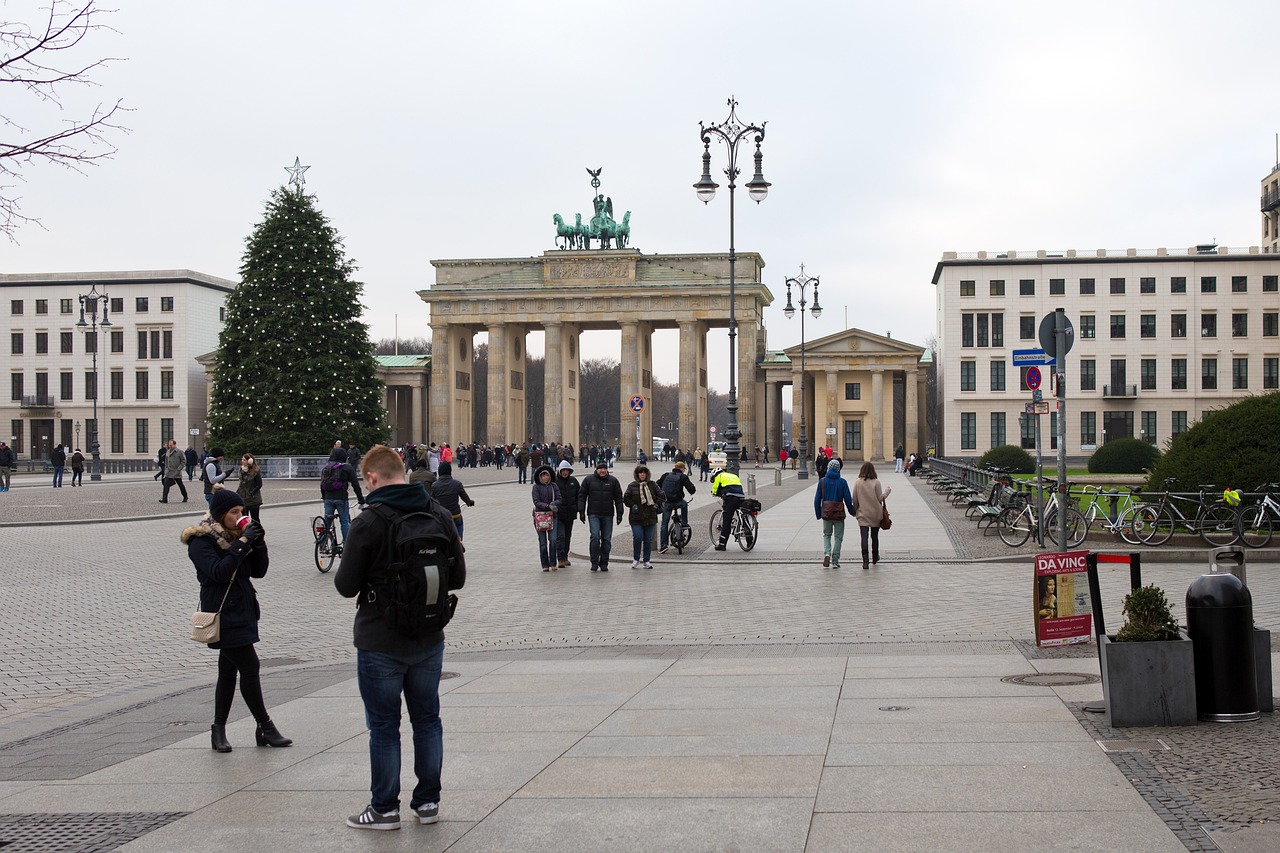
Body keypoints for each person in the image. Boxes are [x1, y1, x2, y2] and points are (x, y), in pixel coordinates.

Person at [334, 445, 466, 830]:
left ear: (372, 478)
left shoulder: (369, 520)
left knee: (384, 726)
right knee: (427, 720)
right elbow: (457, 578)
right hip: (428, 636)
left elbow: (345, 586)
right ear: (403, 471)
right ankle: (428, 804)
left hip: (380, 640)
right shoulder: (438, 513)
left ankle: (384, 809)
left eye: (364, 480)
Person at [183, 486, 290, 754]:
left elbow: (259, 571)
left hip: (243, 610)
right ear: (220, 515)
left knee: (228, 671)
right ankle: (265, 726)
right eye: (234, 512)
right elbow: (218, 572)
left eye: (241, 511)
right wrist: (242, 544)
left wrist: (258, 542)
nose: (239, 516)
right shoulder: (201, 541)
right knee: (250, 665)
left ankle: (218, 729)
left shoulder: (237, 535)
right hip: (221, 613)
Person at [578, 460, 623, 572]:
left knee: (606, 540)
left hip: (608, 514)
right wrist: (581, 511)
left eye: (604, 468)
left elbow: (618, 498)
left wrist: (620, 513)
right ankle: (594, 562)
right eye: (600, 468)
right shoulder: (588, 480)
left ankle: (604, 562)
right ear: (596, 469)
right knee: (595, 537)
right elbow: (582, 496)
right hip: (594, 514)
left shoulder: (613, 481)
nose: (602, 470)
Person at [813, 458, 856, 568]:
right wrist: (852, 512)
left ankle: (827, 553)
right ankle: (835, 560)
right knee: (838, 537)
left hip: (826, 513)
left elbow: (817, 500)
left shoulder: (822, 481)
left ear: (828, 468)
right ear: (838, 469)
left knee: (827, 535)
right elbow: (847, 499)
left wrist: (819, 514)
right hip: (838, 513)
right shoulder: (842, 482)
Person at [852, 461, 892, 569]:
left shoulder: (857, 482)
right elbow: (880, 498)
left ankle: (865, 561)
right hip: (875, 513)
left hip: (862, 513)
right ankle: (875, 557)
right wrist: (887, 492)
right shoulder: (876, 482)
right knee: (874, 537)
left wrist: (855, 510)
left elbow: (854, 499)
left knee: (864, 537)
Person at [623, 464, 664, 569]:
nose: (642, 474)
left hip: (650, 516)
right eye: (640, 472)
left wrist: (656, 504)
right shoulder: (632, 485)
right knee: (638, 537)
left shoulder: (653, 485)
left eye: (644, 472)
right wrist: (633, 505)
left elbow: (661, 495)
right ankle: (636, 559)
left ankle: (646, 560)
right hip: (636, 517)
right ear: (637, 474)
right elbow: (626, 498)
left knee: (648, 539)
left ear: (647, 474)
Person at [321, 448, 365, 543]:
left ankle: (322, 544)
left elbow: (322, 484)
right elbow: (356, 485)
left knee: (327, 522)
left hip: (328, 498)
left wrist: (324, 497)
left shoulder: (327, 467)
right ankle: (347, 546)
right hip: (341, 498)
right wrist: (361, 500)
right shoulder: (347, 468)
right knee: (344, 522)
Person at [429, 461, 474, 541]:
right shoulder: (457, 484)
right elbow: (465, 497)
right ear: (450, 471)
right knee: (458, 530)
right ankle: (459, 542)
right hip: (455, 515)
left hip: (441, 517)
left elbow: (431, 500)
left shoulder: (434, 486)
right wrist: (469, 502)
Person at [657, 461, 696, 554]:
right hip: (678, 501)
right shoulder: (683, 477)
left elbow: (657, 485)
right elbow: (692, 489)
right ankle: (685, 523)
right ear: (682, 469)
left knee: (664, 524)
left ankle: (663, 546)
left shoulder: (666, 475)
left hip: (667, 503)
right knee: (684, 504)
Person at [531, 464, 561, 571]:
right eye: (543, 476)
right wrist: (547, 506)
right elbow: (536, 501)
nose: (545, 478)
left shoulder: (554, 486)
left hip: (553, 516)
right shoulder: (536, 487)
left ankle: (553, 562)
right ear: (540, 477)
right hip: (540, 517)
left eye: (546, 475)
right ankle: (545, 564)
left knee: (553, 540)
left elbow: (559, 499)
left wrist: (554, 504)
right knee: (543, 542)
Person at [710, 467, 744, 551]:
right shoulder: (733, 475)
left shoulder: (719, 476)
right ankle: (750, 540)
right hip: (741, 496)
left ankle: (722, 544)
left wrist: (714, 493)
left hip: (731, 498)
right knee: (742, 516)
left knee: (726, 521)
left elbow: (715, 489)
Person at [554, 460, 580, 569]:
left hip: (570, 513)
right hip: (559, 514)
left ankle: (565, 557)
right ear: (560, 471)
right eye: (563, 470)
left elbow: (579, 495)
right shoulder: (555, 482)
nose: (565, 472)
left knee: (567, 536)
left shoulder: (573, 481)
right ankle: (560, 558)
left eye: (567, 470)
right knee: (560, 536)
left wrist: (578, 508)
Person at [237, 453, 264, 524]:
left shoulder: (255, 471)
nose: (242, 461)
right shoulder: (241, 470)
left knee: (255, 518)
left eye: (244, 460)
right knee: (243, 518)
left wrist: (252, 493)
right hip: (243, 497)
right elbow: (241, 484)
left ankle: (257, 533)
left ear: (250, 461)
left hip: (253, 499)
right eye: (242, 459)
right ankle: (245, 532)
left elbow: (259, 484)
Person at [160, 439, 189, 503]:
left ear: (174, 445)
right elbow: (166, 461)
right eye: (169, 445)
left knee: (180, 485)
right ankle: (164, 499)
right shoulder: (168, 452)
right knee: (166, 485)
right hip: (169, 472)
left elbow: (183, 461)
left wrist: (178, 469)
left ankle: (185, 496)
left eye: (171, 445)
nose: (170, 446)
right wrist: (166, 469)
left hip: (176, 472)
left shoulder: (179, 452)